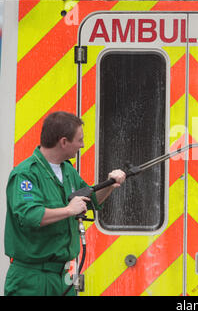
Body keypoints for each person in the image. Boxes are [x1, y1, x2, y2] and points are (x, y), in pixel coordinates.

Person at [3, 111, 126, 296]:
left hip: (62, 277)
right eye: (79, 140)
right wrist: (69, 210)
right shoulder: (26, 174)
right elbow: (30, 216)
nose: (83, 145)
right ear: (63, 142)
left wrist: (110, 184)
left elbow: (90, 201)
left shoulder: (67, 170)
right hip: (32, 279)